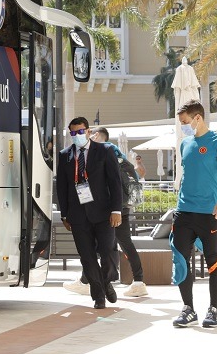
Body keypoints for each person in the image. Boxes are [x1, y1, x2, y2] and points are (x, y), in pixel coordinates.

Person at [63, 127, 148, 298]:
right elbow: (136, 176)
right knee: (125, 243)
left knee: (93, 244)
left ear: (97, 136)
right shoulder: (119, 154)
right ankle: (138, 281)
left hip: (107, 208)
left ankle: (86, 282)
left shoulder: (103, 152)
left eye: (92, 134)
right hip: (122, 206)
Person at [171, 100, 217, 329]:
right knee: (180, 259)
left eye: (185, 122)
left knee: (213, 260)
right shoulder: (185, 144)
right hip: (184, 211)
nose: (183, 126)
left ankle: (213, 309)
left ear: (197, 118)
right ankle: (188, 309)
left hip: (209, 212)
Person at [55, 116, 124, 309]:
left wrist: (116, 209)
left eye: (80, 132)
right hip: (78, 215)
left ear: (88, 131)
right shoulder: (65, 155)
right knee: (87, 257)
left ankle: (107, 280)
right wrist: (64, 214)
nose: (77, 136)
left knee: (108, 252)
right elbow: (61, 187)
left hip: (103, 213)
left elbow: (114, 183)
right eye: (73, 133)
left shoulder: (105, 151)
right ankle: (98, 295)